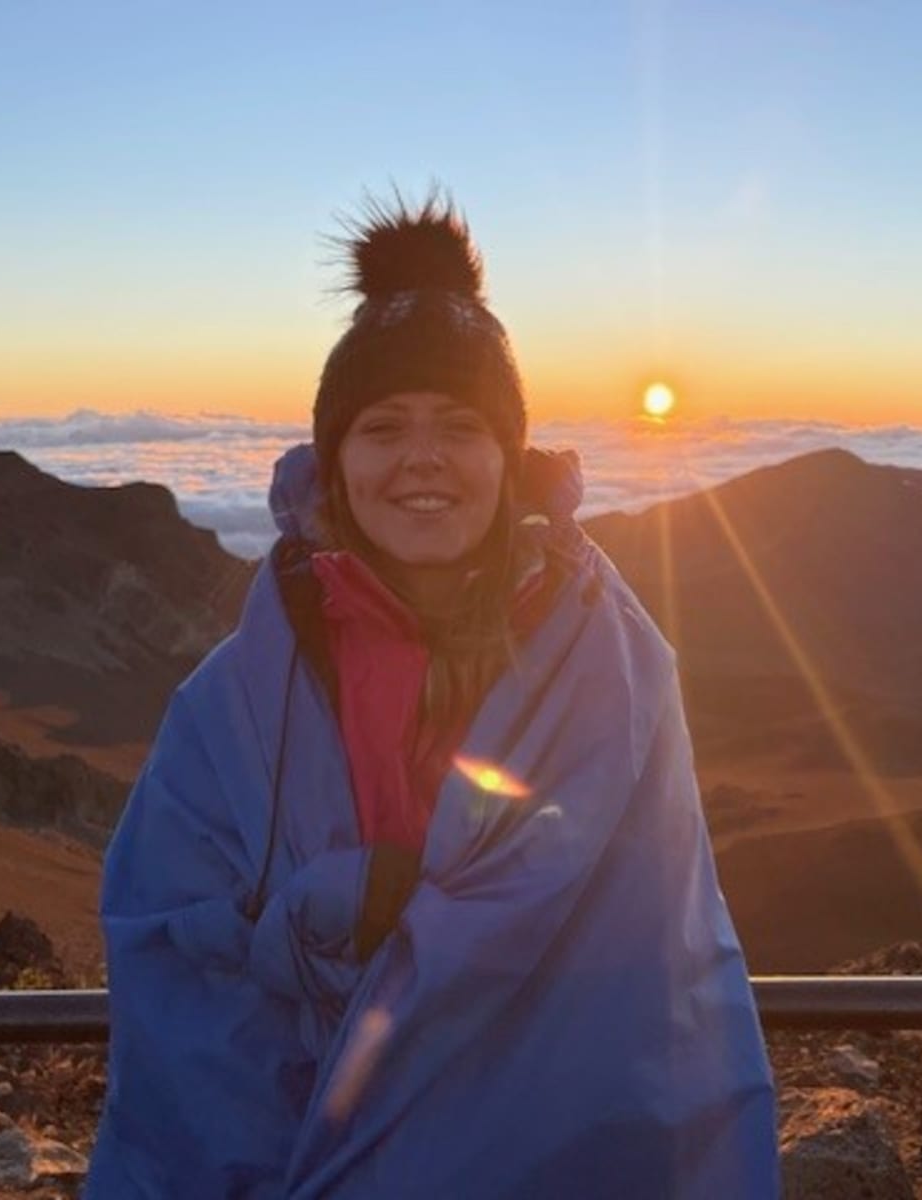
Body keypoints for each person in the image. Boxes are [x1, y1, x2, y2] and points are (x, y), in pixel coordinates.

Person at [84, 196, 779, 1198]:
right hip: (286, 1150)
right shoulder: (227, 703)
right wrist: (336, 917)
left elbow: (646, 958)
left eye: (461, 426)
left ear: (508, 461)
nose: (422, 458)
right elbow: (172, 951)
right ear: (335, 458)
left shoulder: (615, 670)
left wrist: (370, 928)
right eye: (383, 427)